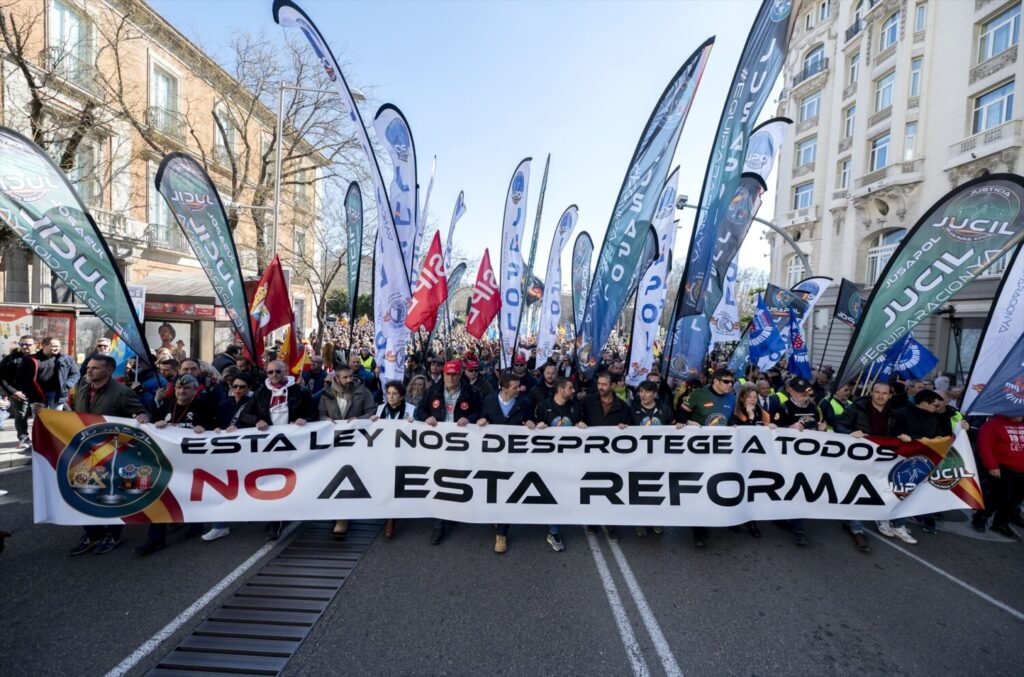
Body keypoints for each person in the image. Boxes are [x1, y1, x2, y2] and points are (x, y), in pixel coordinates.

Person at [69, 355, 150, 556]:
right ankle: (92, 533)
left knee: (112, 494)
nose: (89, 371)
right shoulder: (82, 389)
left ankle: (113, 533)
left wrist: (143, 417)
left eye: (95, 368)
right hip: (86, 451)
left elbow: (143, 413)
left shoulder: (122, 393)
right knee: (86, 491)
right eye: (88, 367)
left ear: (109, 371)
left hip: (113, 452)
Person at [135, 374, 217, 555]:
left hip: (193, 462)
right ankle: (156, 538)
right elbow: (151, 421)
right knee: (160, 495)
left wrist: (203, 430)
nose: (182, 391)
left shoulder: (204, 407)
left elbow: (216, 431)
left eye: (187, 388)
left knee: (192, 494)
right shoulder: (167, 404)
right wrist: (153, 422)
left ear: (195, 390)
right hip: (167, 460)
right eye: (179, 388)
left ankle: (195, 524)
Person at [238, 359, 312, 540]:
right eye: (270, 372)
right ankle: (275, 519)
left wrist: (304, 419)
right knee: (273, 481)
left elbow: (311, 411)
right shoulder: (261, 392)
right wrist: (257, 421)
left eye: (277, 372)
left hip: (293, 443)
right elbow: (245, 413)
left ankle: (283, 517)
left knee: (291, 479)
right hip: (268, 445)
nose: (274, 376)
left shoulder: (299, 390)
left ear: (285, 371)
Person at [416, 360, 481, 544]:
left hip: (460, 444)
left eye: (454, 374)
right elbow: (421, 409)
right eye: (447, 374)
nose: (450, 378)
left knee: (456, 478)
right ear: (443, 374)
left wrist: (469, 419)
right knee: (439, 479)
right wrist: (426, 417)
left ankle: (453, 512)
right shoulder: (433, 391)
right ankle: (439, 523)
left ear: (460, 374)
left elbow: (480, 411)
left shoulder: (470, 392)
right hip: (438, 444)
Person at [833, 381, 899, 552]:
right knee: (857, 491)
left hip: (882, 460)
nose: (881, 396)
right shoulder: (857, 408)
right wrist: (849, 433)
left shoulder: (894, 413)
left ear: (890, 395)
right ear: (871, 392)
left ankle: (865, 520)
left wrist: (904, 437)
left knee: (874, 492)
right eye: (877, 392)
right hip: (858, 458)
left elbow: (898, 432)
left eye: (885, 393)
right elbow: (839, 424)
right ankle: (857, 529)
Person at [478, 371, 536, 553]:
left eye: (519, 386)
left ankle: (502, 534)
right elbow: (482, 418)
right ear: (504, 388)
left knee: (507, 493)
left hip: (514, 456)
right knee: (494, 491)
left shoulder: (524, 402)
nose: (519, 389)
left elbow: (531, 419)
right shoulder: (489, 401)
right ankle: (496, 517)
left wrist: (531, 423)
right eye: (515, 387)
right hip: (492, 457)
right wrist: (480, 420)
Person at [320, 365, 376, 536]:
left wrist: (359, 419)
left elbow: (372, 411)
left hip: (355, 441)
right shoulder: (327, 393)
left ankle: (343, 517)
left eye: (350, 376)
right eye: (345, 377)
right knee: (333, 477)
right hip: (333, 443)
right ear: (336, 378)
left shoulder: (362, 392)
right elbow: (320, 413)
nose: (349, 380)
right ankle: (336, 513)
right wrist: (326, 419)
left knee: (348, 476)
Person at [772, 376, 827, 547]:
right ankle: (799, 529)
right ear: (790, 391)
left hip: (809, 458)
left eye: (806, 391)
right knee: (794, 489)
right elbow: (772, 431)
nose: (804, 394)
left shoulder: (814, 407)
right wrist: (789, 429)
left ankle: (787, 519)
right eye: (800, 391)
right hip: (789, 458)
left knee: (799, 490)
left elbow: (821, 426)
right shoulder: (783, 408)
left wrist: (821, 429)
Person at [534, 377, 585, 552]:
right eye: (570, 388)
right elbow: (529, 426)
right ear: (561, 389)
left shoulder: (576, 407)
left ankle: (553, 530)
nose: (573, 391)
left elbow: (584, 427)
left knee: (560, 494)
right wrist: (534, 426)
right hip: (546, 460)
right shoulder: (543, 405)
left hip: (569, 460)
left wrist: (583, 427)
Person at [370, 381, 417, 540]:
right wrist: (371, 422)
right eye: (388, 393)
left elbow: (418, 432)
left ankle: (391, 519)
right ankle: (387, 512)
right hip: (384, 453)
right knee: (386, 483)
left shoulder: (411, 410)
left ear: (402, 396)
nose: (391, 397)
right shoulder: (381, 409)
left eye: (395, 393)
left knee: (396, 484)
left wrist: (414, 423)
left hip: (403, 454)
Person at [977, 413, 1024, 539]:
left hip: (1021, 469)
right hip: (1003, 468)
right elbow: (984, 445)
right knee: (999, 496)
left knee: (1015, 499)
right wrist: (992, 465)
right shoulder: (993, 424)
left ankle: (1001, 523)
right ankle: (981, 517)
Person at [18, 337, 79, 411]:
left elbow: (75, 373)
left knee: (55, 419)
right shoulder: (30, 359)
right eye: (54, 346)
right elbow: (21, 377)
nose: (57, 348)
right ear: (43, 345)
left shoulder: (66, 359)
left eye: (59, 346)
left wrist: (67, 385)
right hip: (36, 395)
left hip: (56, 394)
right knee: (39, 419)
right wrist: (27, 392)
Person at [0, 335, 35, 448]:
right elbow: (1, 378)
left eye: (28, 344)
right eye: (22, 344)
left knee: (40, 417)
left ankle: (41, 440)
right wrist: (13, 392)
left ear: (35, 345)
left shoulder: (40, 357)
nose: (25, 347)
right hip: (19, 393)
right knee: (21, 415)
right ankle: (24, 438)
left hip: (38, 393)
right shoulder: (10, 359)